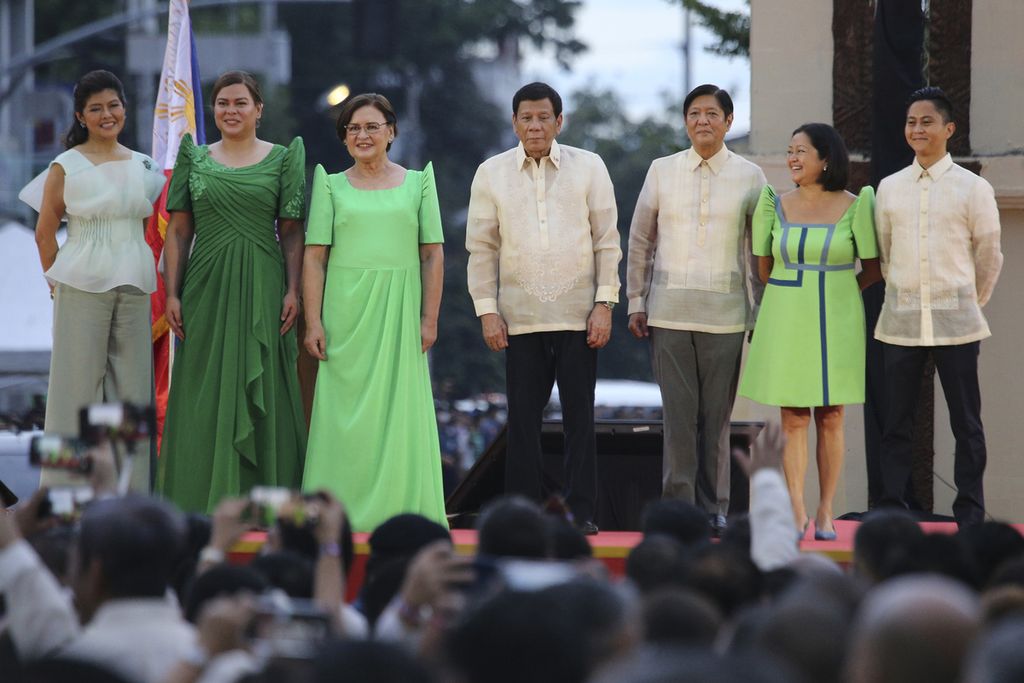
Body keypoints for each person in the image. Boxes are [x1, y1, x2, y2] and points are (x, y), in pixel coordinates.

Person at [466, 82, 621, 535]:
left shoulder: (589, 167)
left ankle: (580, 513)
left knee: (580, 419)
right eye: (526, 118)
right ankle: (522, 515)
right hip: (518, 317)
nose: (535, 126)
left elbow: (607, 240)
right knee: (522, 422)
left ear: (560, 121)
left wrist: (604, 304)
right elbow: (481, 248)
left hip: (579, 315)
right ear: (514, 122)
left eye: (544, 117)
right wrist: (487, 310)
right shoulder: (491, 173)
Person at [158, 71, 307, 513]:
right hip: (204, 286)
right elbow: (179, 232)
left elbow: (294, 231)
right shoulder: (194, 156)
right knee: (203, 392)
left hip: (264, 281)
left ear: (258, 109)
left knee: (267, 392)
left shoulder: (284, 158)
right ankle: (199, 504)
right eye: (222, 103)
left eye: (240, 102)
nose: (231, 110)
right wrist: (172, 293)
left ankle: (267, 508)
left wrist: (293, 289)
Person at [301, 93, 447, 532]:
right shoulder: (330, 185)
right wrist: (314, 321)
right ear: (344, 138)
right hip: (345, 314)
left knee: (400, 413)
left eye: (372, 126)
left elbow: (433, 256)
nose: (363, 135)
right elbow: (314, 258)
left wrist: (428, 318)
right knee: (342, 417)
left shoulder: (419, 183)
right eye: (353, 129)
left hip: (400, 314)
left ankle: (402, 513)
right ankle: (337, 513)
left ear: (391, 132)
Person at [625, 84, 766, 534]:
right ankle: (679, 511)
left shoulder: (751, 176)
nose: (702, 121)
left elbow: (759, 249)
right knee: (679, 419)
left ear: (728, 120)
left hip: (726, 315)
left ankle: (715, 508)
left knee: (716, 421)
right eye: (694, 113)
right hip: (667, 312)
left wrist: (759, 313)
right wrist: (635, 300)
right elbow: (641, 240)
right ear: (685, 121)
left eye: (711, 114)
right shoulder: (662, 171)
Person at [19, 70, 165, 491]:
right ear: (81, 116)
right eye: (96, 108)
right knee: (75, 391)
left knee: (131, 394)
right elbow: (45, 232)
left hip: (135, 284)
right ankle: (63, 495)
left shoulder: (145, 165)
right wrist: (54, 282)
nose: (107, 114)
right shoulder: (65, 165)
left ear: (125, 108)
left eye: (114, 105)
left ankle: (129, 494)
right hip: (80, 281)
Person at [738, 123, 881, 540]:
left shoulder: (858, 204)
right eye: (790, 150)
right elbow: (764, 269)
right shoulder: (774, 204)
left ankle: (825, 511)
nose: (793, 158)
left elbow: (871, 270)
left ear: (826, 158)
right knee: (794, 417)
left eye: (801, 150)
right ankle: (798, 510)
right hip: (787, 315)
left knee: (833, 416)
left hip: (837, 317)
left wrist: (838, 293)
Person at [874, 86, 1003, 527]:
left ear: (949, 128)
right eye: (911, 122)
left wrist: (968, 301)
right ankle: (893, 509)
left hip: (959, 323)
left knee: (966, 424)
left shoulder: (974, 188)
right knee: (895, 424)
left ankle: (969, 513)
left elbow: (989, 254)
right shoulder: (889, 189)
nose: (917, 129)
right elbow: (886, 255)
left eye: (927, 121)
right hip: (901, 321)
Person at [0, 494, 196, 682]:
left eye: (73, 563)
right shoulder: (208, 653)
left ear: (95, 573)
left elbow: (38, 606)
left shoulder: (74, 658)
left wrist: (14, 535)